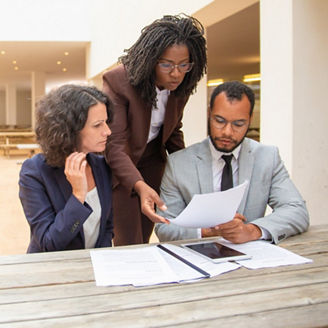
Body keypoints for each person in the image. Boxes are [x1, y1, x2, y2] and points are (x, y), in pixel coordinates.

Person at [155, 81, 309, 244]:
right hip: (199, 258)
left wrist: (252, 230)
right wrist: (207, 232)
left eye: (238, 124)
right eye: (220, 121)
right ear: (209, 114)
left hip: (252, 259)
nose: (227, 132)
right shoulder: (179, 163)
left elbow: (296, 210)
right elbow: (164, 227)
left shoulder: (267, 157)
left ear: (250, 119)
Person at [103, 14, 207, 245]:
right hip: (120, 168)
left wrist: (188, 170)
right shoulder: (118, 82)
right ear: (151, 60)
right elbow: (114, 145)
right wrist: (139, 186)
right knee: (129, 241)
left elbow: (173, 131)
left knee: (146, 234)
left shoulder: (182, 85)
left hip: (152, 164)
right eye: (167, 64)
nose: (176, 73)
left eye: (184, 65)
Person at [19, 85, 114, 253]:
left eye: (106, 122)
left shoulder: (101, 166)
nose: (107, 131)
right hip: (54, 269)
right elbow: (49, 243)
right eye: (98, 125)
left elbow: (107, 227)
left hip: (95, 267)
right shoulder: (34, 172)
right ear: (70, 129)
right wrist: (78, 195)